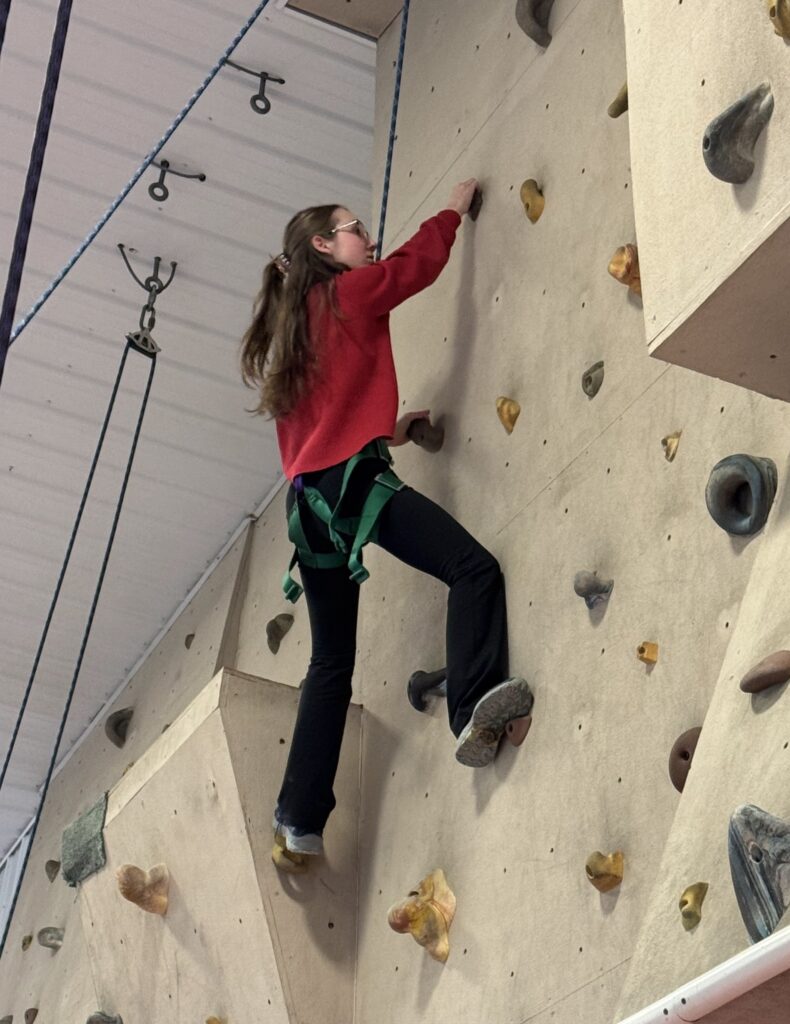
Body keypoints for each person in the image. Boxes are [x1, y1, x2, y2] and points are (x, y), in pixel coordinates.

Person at [240, 179, 533, 871]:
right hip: (352, 487)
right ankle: (470, 711)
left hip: (311, 511)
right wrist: (452, 210)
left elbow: (323, 430)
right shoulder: (345, 293)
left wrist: (389, 432)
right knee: (473, 569)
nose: (365, 239)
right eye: (353, 230)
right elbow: (412, 269)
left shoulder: (294, 335)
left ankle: (296, 821)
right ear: (322, 246)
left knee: (331, 665)